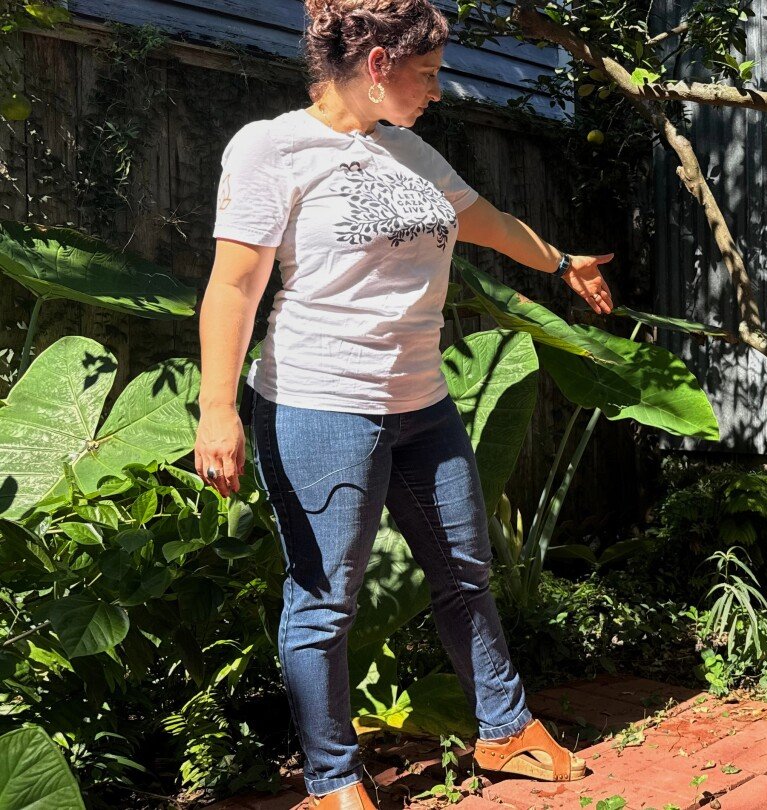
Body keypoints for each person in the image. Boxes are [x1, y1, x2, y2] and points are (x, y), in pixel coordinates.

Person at [192, 1, 610, 806]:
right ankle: (332, 780)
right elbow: (234, 283)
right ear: (378, 65)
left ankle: (505, 729)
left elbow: (481, 219)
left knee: (465, 573)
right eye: (427, 74)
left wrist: (561, 262)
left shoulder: (409, 148)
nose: (439, 90)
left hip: (423, 403)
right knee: (325, 601)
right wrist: (217, 406)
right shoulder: (272, 147)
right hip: (319, 406)